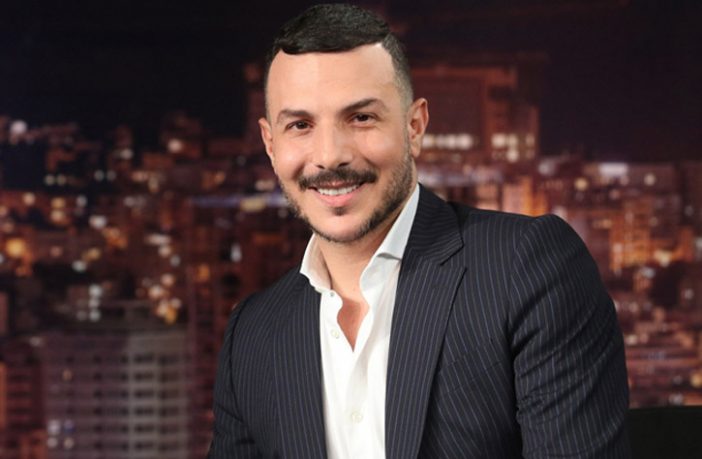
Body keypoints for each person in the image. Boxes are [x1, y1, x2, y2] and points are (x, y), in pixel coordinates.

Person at [209, 4, 630, 458]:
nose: (329, 156)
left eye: (361, 118)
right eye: (300, 125)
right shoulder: (252, 334)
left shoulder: (527, 269)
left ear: (415, 128)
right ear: (270, 144)